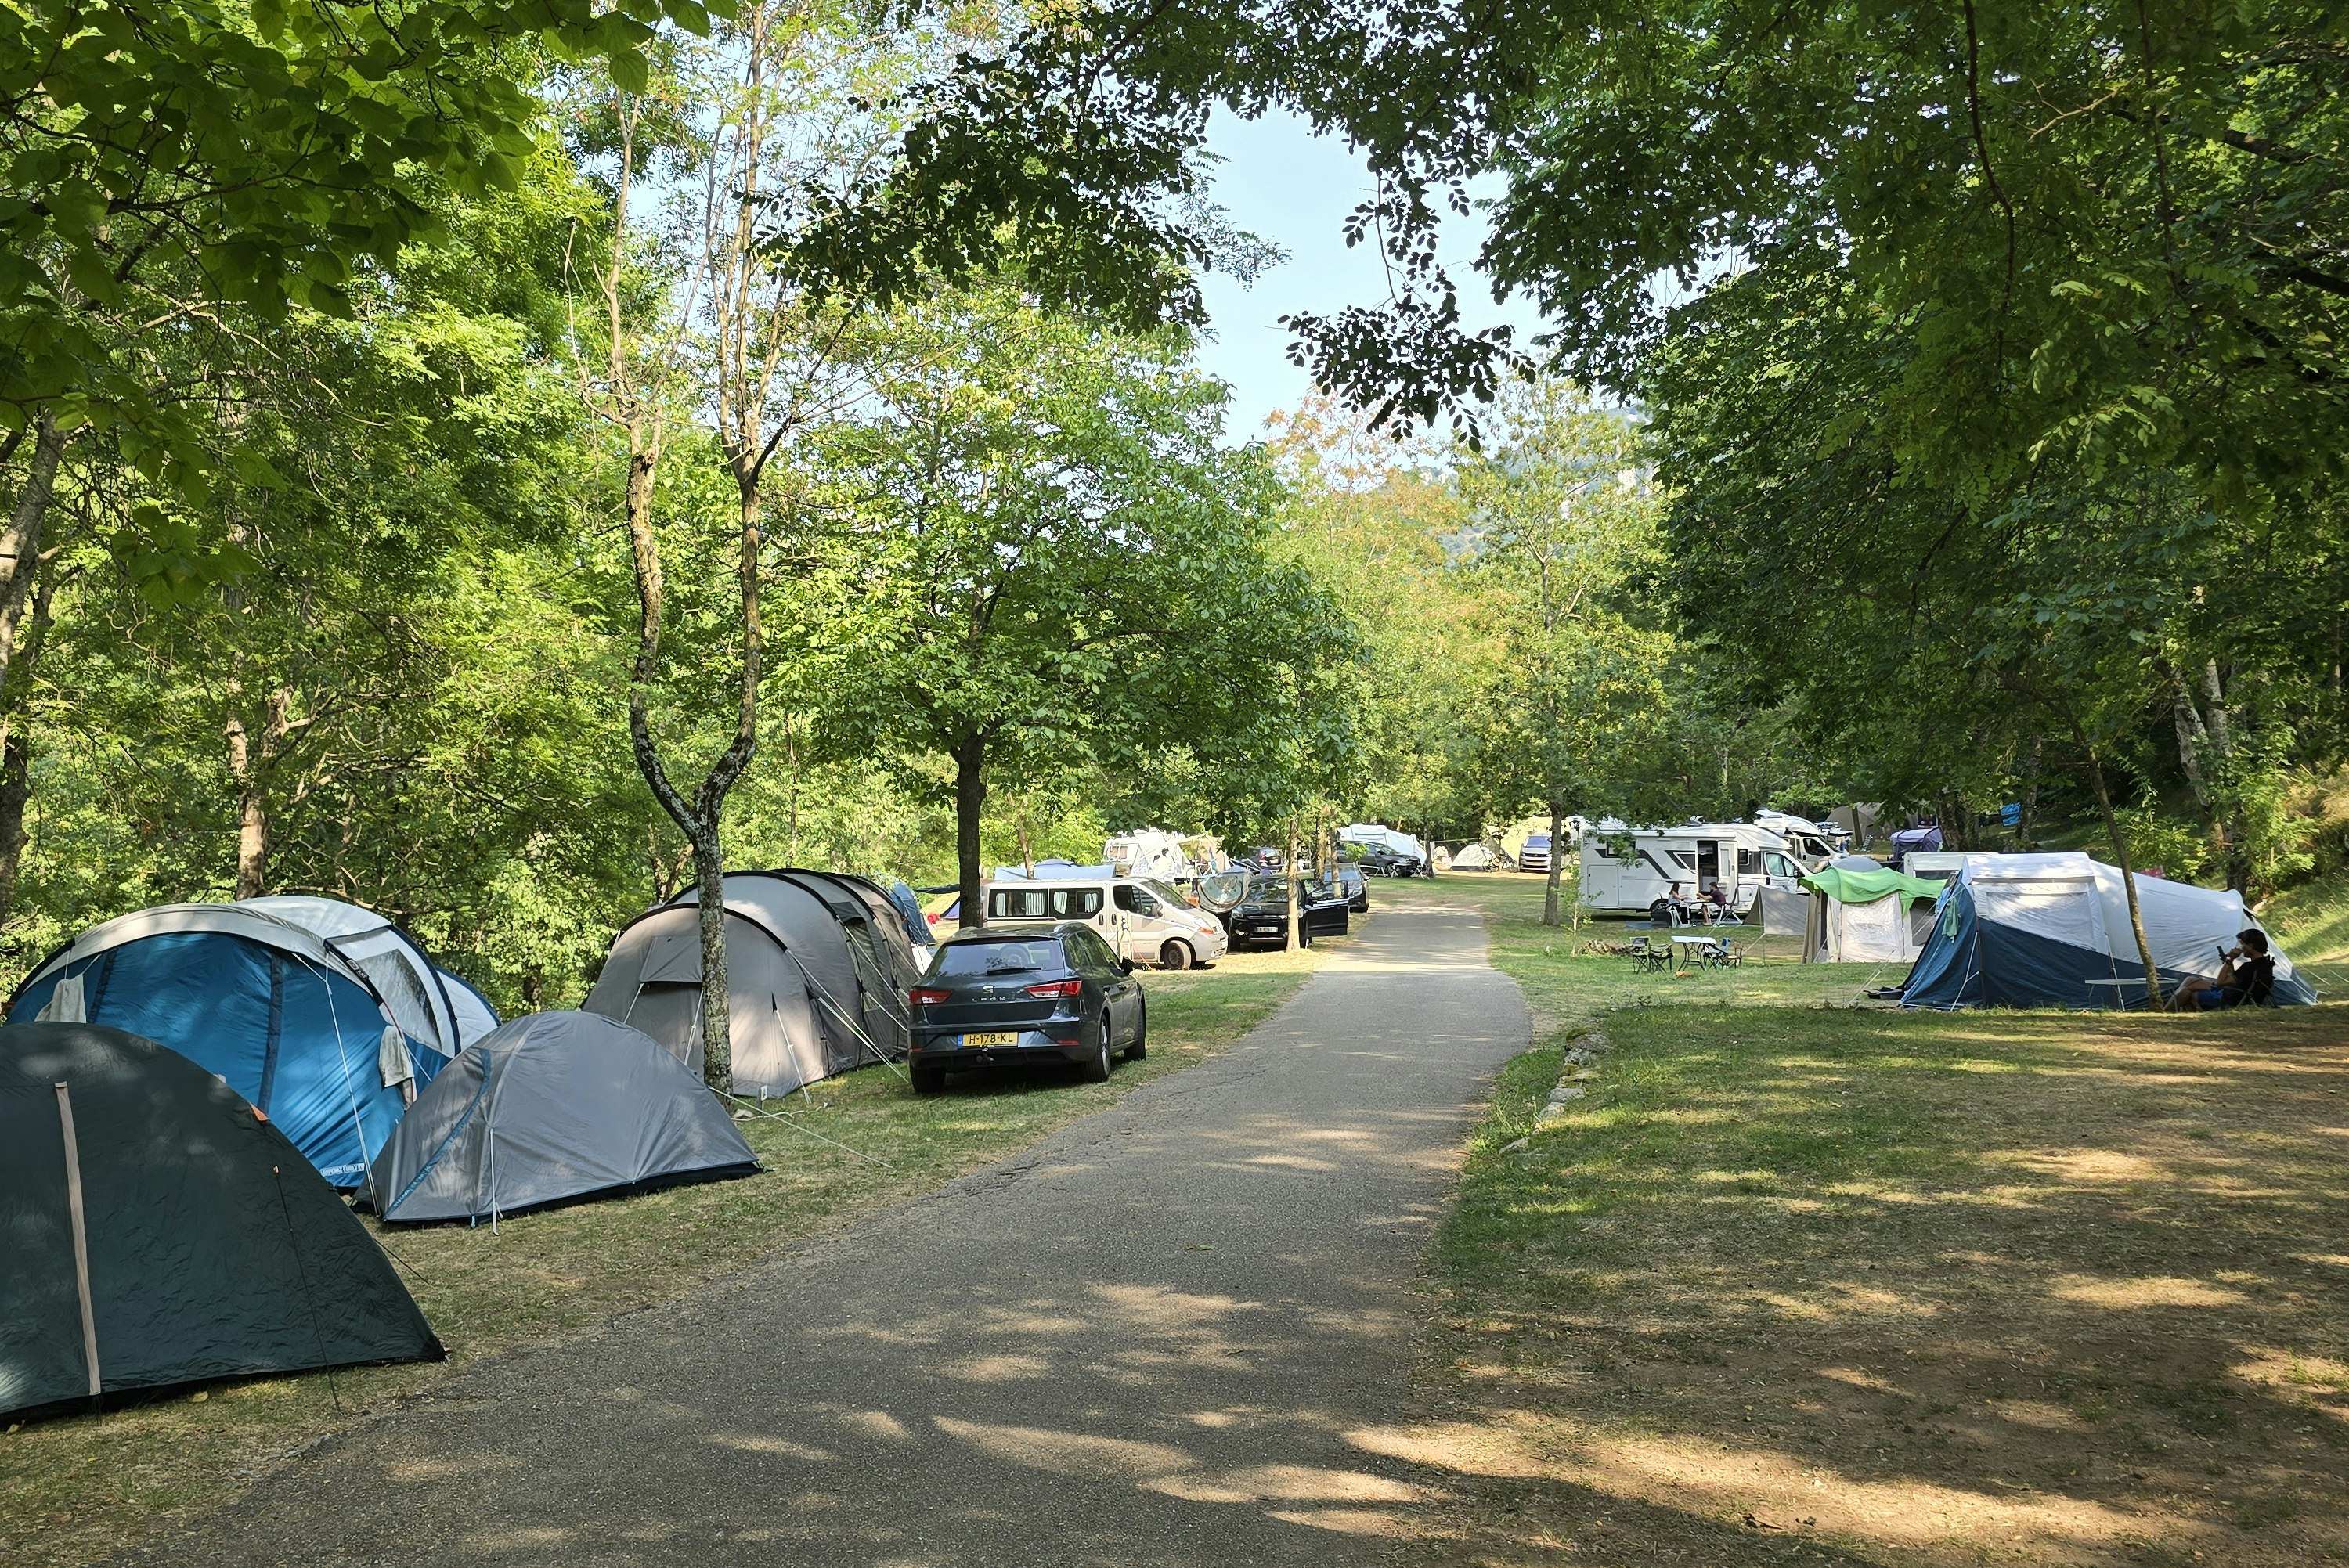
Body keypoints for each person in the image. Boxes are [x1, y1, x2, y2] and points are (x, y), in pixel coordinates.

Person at [2166, 929, 2278, 1010]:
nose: (2241, 948)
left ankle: (2165, 1012)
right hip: (2240, 994)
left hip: (2230, 998)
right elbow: (2239, 979)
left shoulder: (2249, 967)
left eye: (2243, 944)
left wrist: (2230, 959)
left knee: (2188, 989)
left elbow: (2221, 982)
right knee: (2190, 980)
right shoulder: (2266, 964)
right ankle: (2167, 1011)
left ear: (2251, 946)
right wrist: (2229, 964)